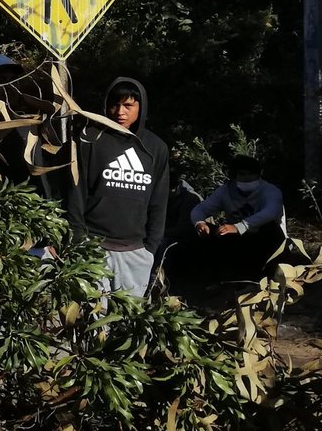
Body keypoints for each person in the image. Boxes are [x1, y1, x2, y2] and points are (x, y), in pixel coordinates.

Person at [65, 76, 170, 297]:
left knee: (127, 321)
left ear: (141, 107)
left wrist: (150, 247)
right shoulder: (90, 139)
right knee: (92, 319)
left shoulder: (155, 148)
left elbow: (159, 201)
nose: (120, 112)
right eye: (115, 104)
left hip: (135, 251)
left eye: (128, 105)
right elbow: (76, 191)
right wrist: (78, 239)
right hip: (93, 247)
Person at [182, 154, 285, 283]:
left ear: (259, 174)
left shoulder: (270, 190)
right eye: (242, 174)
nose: (247, 179)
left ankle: (265, 274)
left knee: (269, 229)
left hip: (265, 240)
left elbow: (272, 212)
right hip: (238, 241)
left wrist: (240, 226)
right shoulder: (225, 191)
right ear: (234, 176)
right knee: (201, 234)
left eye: (251, 174)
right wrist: (200, 223)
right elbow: (200, 209)